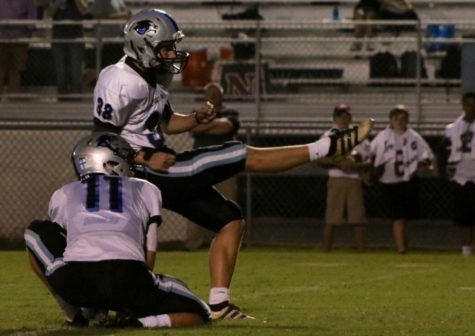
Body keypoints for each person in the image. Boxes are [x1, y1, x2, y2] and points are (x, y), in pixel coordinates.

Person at [92, 8, 375, 319]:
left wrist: (196, 118)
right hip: (143, 170)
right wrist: (144, 157)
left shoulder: (153, 76)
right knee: (238, 154)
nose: (173, 53)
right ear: (143, 46)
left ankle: (219, 303)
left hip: (159, 165)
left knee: (230, 219)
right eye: (166, 47)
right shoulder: (118, 78)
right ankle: (327, 146)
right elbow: (102, 139)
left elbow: (168, 123)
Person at [24, 132, 211, 328]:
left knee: (35, 231)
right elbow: (150, 248)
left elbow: (63, 241)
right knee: (200, 312)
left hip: (75, 282)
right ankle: (137, 323)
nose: (131, 163)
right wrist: (136, 294)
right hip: (127, 278)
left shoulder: (63, 193)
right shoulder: (146, 189)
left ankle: (74, 315)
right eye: (125, 157)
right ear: (109, 160)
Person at [370, 105, 433, 254]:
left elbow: (426, 155)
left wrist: (424, 164)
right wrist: (372, 170)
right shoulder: (383, 136)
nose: (399, 121)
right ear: (391, 120)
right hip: (389, 180)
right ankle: (401, 248)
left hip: (407, 179)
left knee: (404, 216)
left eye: (403, 118)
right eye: (396, 118)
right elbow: (371, 153)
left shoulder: (414, 136)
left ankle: (404, 244)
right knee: (398, 215)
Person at [186, 81, 240, 250]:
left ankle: (221, 242)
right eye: (211, 94)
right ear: (205, 97)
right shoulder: (197, 113)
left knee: (227, 203)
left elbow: (226, 127)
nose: (214, 97)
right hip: (200, 166)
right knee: (196, 203)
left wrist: (205, 126)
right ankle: (193, 244)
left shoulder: (230, 112)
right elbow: (193, 130)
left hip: (224, 166)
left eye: (216, 94)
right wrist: (213, 124)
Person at [317, 104, 372, 252]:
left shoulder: (359, 135)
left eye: (346, 115)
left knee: (358, 219)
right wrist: (340, 163)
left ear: (351, 117)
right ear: (334, 118)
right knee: (331, 219)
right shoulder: (329, 136)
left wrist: (358, 165)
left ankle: (361, 252)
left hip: (355, 179)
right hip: (337, 179)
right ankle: (325, 251)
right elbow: (319, 158)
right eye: (340, 115)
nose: (344, 118)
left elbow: (369, 159)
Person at [439, 92, 475, 256]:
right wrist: (444, 171)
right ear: (463, 105)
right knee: (464, 217)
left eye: (474, 104)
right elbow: (442, 153)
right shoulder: (452, 129)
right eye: (468, 104)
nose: (471, 108)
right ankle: (466, 250)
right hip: (461, 176)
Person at [40, 0, 89, 98]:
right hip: (58, 38)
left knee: (76, 73)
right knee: (61, 74)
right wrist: (56, 4)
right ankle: (62, 101)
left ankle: (76, 101)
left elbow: (84, 10)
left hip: (76, 37)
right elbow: (49, 14)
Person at [0, 0, 37, 96]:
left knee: (16, 70)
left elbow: (32, 16)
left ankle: (13, 102)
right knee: (1, 70)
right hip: (1, 39)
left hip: (20, 38)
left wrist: (28, 35)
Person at [90, 0, 130, 68]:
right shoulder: (100, 1)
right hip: (106, 43)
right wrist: (120, 16)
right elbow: (97, 18)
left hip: (120, 41)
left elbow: (127, 14)